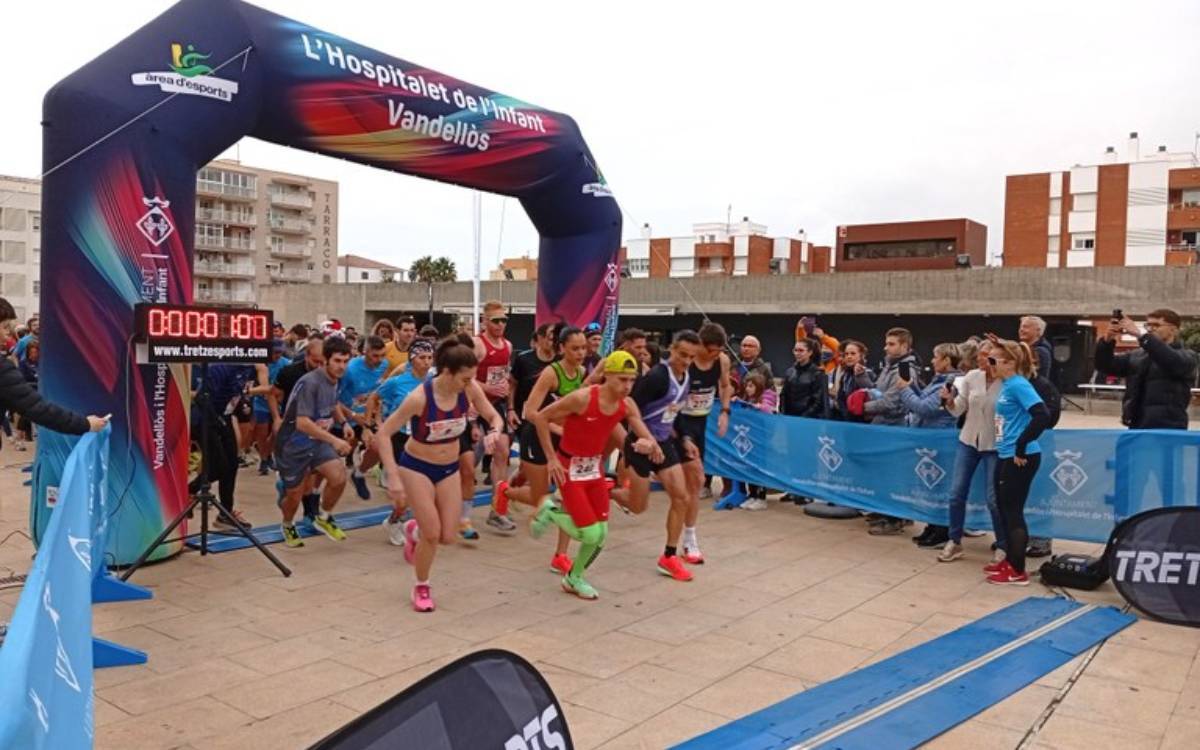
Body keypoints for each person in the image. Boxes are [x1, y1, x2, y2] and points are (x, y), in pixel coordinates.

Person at [376, 338, 505, 612]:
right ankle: (421, 586)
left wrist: (495, 432)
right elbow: (383, 434)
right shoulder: (419, 399)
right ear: (447, 372)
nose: (470, 383)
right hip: (416, 467)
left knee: (448, 536)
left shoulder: (469, 390)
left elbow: (494, 416)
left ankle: (413, 531)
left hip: (448, 469)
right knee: (433, 535)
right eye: (465, 378)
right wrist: (394, 476)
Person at [529, 351, 661, 599]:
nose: (627, 386)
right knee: (589, 532)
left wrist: (651, 444)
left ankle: (574, 578)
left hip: (594, 469)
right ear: (607, 375)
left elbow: (643, 433)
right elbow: (541, 417)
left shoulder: (627, 404)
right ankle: (551, 511)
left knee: (601, 535)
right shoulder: (581, 399)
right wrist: (551, 458)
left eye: (632, 380)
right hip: (570, 468)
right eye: (622, 379)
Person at [499, 326, 589, 565]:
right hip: (536, 437)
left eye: (583, 348)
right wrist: (558, 428)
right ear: (561, 348)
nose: (581, 353)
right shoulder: (551, 373)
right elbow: (530, 412)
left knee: (569, 497)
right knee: (541, 496)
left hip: (564, 442)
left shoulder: (581, 372)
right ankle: (505, 492)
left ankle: (560, 555)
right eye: (575, 348)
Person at [627, 330, 701, 581]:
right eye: (682, 355)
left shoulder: (686, 377)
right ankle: (606, 489)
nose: (686, 361)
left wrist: (685, 438)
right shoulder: (658, 376)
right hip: (640, 443)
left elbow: (675, 412)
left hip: (664, 442)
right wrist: (645, 439)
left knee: (681, 497)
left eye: (691, 357)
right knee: (637, 506)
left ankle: (669, 556)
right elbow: (630, 406)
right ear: (671, 350)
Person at [274, 336, 356, 547]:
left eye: (346, 361)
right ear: (325, 360)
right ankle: (287, 522)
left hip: (317, 442)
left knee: (338, 476)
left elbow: (333, 403)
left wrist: (344, 422)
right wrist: (335, 441)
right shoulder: (310, 382)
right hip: (293, 444)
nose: (342, 366)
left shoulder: (334, 380)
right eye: (338, 361)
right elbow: (302, 423)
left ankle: (324, 516)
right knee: (295, 495)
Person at [983, 340, 1051, 585]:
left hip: (1020, 456)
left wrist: (1021, 445)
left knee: (1012, 512)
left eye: (993, 360)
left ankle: (1018, 570)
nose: (989, 364)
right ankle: (1010, 561)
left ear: (1009, 363)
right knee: (1002, 508)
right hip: (1005, 453)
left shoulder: (1019, 384)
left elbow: (1042, 415)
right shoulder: (1007, 384)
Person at [0, 300, 107, 448]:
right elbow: (37, 408)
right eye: (5, 327)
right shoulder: (3, 369)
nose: (8, 333)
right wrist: (85, 424)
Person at [674, 321, 732, 564]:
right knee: (689, 483)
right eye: (710, 350)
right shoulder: (687, 363)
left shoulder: (722, 361)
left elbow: (725, 385)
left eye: (718, 350)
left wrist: (725, 412)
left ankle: (688, 539)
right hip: (678, 423)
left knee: (694, 484)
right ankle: (682, 539)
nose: (715, 355)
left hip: (701, 423)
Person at [941, 340, 1002, 564]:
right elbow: (958, 409)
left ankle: (1003, 544)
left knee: (994, 499)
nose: (979, 359)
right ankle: (954, 541)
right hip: (968, 440)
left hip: (995, 445)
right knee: (956, 493)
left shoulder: (1010, 381)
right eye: (978, 356)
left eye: (985, 355)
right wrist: (948, 401)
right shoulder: (972, 377)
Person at [368, 339, 434, 545]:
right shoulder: (397, 382)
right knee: (404, 492)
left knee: (424, 488)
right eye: (422, 358)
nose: (426, 362)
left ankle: (407, 520)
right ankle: (394, 521)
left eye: (430, 358)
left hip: (423, 440)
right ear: (412, 359)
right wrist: (374, 424)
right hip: (399, 438)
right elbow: (373, 398)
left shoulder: (434, 382)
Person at [899, 343, 961, 549]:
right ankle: (932, 525)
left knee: (939, 486)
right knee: (928, 486)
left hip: (940, 440)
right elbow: (925, 397)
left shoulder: (952, 382)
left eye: (936, 357)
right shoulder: (938, 380)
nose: (933, 361)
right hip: (928, 439)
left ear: (946, 360)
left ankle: (942, 529)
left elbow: (925, 408)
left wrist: (904, 390)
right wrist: (913, 385)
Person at [1096, 308, 1198, 430]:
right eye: (1148, 325)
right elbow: (1105, 366)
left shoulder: (1188, 356)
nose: (1150, 329)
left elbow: (1172, 360)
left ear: (1174, 330)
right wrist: (1107, 341)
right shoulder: (1137, 355)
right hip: (1137, 423)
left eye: (1156, 325)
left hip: (1168, 426)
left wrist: (1141, 336)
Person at [190, 362, 257, 527]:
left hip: (224, 417)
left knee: (232, 465)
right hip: (205, 420)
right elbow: (200, 398)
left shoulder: (249, 368)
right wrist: (218, 421)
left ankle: (225, 513)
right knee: (219, 467)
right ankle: (189, 491)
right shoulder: (220, 368)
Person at [272, 333, 326, 520]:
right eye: (315, 361)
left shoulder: (329, 373)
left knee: (313, 473)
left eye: (323, 362)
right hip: (293, 429)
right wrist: (276, 418)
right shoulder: (289, 372)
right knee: (302, 477)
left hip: (316, 428)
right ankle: (288, 492)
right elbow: (273, 394)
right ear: (306, 356)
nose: (319, 366)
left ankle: (310, 515)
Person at [471, 301, 514, 530]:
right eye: (496, 320)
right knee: (469, 461)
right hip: (473, 403)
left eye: (504, 320)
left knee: (502, 452)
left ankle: (497, 509)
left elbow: (504, 377)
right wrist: (486, 388)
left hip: (495, 406)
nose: (500, 325)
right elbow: (464, 375)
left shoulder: (507, 346)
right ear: (485, 321)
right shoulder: (477, 344)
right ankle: (452, 507)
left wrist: (509, 406)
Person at [338, 335, 391, 500]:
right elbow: (333, 399)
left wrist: (377, 419)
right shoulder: (349, 370)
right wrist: (351, 415)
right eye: (375, 356)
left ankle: (359, 473)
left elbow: (380, 394)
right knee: (337, 454)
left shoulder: (384, 366)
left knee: (379, 447)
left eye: (382, 355)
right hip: (345, 415)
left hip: (368, 417)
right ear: (364, 352)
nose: (379, 360)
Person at [779, 337, 828, 505]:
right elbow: (784, 395)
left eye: (801, 350)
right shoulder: (790, 372)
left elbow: (819, 400)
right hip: (791, 420)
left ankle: (807, 491)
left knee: (807, 457)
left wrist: (805, 418)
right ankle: (793, 489)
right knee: (792, 456)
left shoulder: (818, 373)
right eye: (795, 350)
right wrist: (784, 414)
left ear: (810, 352)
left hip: (808, 422)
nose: (797, 353)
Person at [737, 372, 777, 511]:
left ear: (758, 386)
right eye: (746, 386)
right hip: (749, 440)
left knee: (759, 470)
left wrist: (760, 407)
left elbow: (769, 410)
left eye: (751, 386)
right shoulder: (748, 399)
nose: (748, 389)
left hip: (761, 441)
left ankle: (761, 497)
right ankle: (752, 494)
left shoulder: (766, 398)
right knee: (748, 468)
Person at [250, 340, 288, 475]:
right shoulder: (260, 363)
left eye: (280, 352)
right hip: (261, 402)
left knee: (275, 432)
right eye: (275, 352)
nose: (277, 355)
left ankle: (268, 455)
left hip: (278, 402)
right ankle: (264, 459)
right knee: (262, 432)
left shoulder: (285, 364)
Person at [829, 340, 874, 421]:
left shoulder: (868, 373)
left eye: (853, 353)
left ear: (861, 356)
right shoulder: (844, 375)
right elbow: (840, 398)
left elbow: (871, 395)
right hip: (845, 419)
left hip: (862, 421)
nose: (849, 356)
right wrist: (846, 415)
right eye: (846, 354)